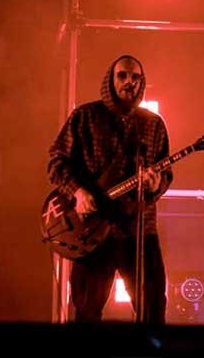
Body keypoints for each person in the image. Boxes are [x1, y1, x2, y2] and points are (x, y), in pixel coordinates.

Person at [48, 55, 172, 322]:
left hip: (139, 230)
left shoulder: (153, 124)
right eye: (122, 75)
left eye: (135, 77)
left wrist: (155, 184)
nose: (129, 82)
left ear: (142, 82)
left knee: (152, 309)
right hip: (91, 232)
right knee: (87, 310)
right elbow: (56, 161)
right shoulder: (85, 117)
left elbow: (165, 175)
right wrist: (77, 192)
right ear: (110, 79)